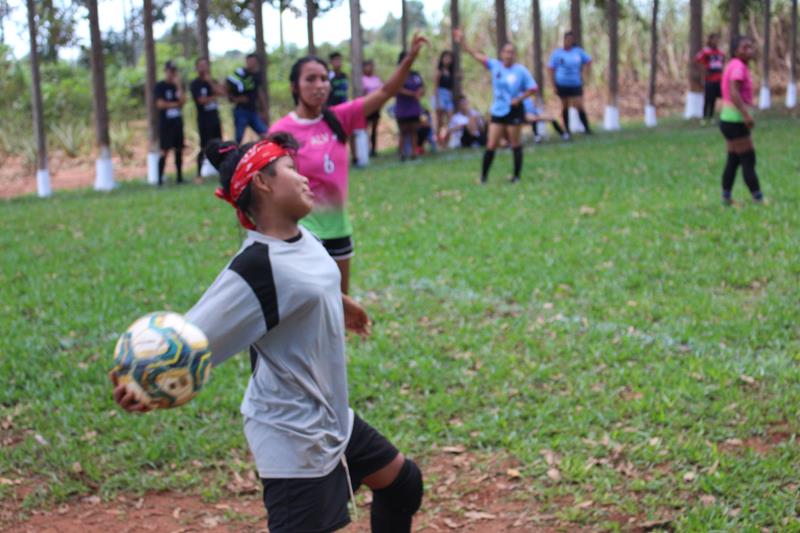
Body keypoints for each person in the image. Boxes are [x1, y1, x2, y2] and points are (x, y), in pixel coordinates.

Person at [110, 133, 424, 533]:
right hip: (292, 432)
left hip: (328, 414)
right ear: (262, 181)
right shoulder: (255, 268)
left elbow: (309, 281)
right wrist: (141, 383)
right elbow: (187, 340)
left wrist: (343, 304)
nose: (304, 177)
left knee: (403, 486)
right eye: (291, 169)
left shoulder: (300, 234)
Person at [268, 35, 429, 295]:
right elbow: (268, 184)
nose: (319, 85)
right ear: (294, 87)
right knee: (308, 307)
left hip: (338, 229)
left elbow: (385, 92)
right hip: (301, 233)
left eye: (323, 78)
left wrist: (409, 59)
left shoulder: (339, 117)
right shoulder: (281, 131)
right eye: (310, 79)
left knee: (339, 306)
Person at [453, 28, 538, 184]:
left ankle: (516, 177)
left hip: (514, 110)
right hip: (498, 110)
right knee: (491, 143)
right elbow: (475, 55)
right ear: (501, 54)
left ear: (515, 55)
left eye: (512, 52)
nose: (509, 55)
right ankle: (484, 177)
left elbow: (533, 88)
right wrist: (463, 42)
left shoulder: (521, 71)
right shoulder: (495, 66)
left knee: (515, 143)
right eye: (506, 52)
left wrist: (519, 98)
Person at [718, 35, 764, 206]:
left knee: (733, 159)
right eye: (745, 47)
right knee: (748, 158)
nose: (749, 50)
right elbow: (734, 91)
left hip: (727, 119)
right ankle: (757, 197)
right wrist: (746, 115)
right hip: (735, 120)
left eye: (750, 46)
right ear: (736, 51)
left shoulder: (734, 65)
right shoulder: (738, 67)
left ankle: (726, 197)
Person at [548, 31, 592, 139]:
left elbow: (588, 61)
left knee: (579, 105)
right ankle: (567, 129)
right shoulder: (557, 53)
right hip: (562, 84)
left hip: (576, 83)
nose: (569, 41)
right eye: (567, 39)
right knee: (565, 106)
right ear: (564, 40)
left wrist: (585, 76)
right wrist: (553, 85)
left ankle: (586, 128)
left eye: (571, 40)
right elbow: (550, 69)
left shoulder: (578, 52)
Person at [190, 57, 225, 180]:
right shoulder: (195, 84)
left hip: (215, 118)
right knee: (204, 146)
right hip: (204, 120)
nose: (203, 68)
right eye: (200, 65)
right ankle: (199, 175)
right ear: (197, 67)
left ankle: (223, 172)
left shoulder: (212, 81)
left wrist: (210, 83)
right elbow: (201, 101)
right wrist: (213, 97)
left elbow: (222, 92)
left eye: (205, 65)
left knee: (220, 145)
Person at [154, 60, 186, 185]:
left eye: (174, 71)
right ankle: (159, 180)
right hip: (166, 124)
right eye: (170, 71)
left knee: (179, 149)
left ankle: (180, 178)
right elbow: (160, 104)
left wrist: (178, 86)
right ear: (165, 71)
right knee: (164, 150)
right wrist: (176, 104)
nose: (172, 74)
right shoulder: (160, 86)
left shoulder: (176, 86)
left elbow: (183, 102)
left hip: (177, 122)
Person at [227, 53, 268, 144]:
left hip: (253, 110)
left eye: (253, 61)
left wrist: (263, 109)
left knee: (265, 133)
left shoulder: (257, 76)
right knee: (238, 138)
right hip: (241, 110)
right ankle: (235, 155)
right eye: (249, 61)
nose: (251, 63)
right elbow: (227, 86)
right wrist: (235, 99)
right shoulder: (239, 73)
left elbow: (259, 92)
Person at [394, 51, 425, 162]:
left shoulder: (415, 74)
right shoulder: (398, 74)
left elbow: (422, 86)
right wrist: (412, 94)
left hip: (414, 108)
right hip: (402, 108)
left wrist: (420, 92)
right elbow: (397, 88)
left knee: (414, 131)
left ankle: (413, 153)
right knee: (403, 131)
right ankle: (401, 153)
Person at [695, 33, 726, 124]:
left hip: (719, 79)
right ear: (710, 40)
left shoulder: (720, 52)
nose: (716, 41)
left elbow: (722, 63)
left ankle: (712, 117)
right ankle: (705, 118)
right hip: (709, 80)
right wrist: (704, 72)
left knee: (716, 98)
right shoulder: (705, 51)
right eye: (714, 39)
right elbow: (697, 60)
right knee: (708, 99)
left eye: (717, 39)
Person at [433, 51, 456, 147]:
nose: (448, 60)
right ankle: (439, 142)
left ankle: (447, 140)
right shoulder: (439, 72)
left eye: (449, 58)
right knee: (440, 121)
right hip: (440, 95)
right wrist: (437, 101)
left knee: (451, 119)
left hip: (449, 96)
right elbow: (435, 87)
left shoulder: (451, 73)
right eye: (446, 58)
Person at [361, 59, 383, 156]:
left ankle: (373, 149)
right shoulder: (361, 79)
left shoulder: (376, 79)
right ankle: (365, 149)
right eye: (367, 66)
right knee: (365, 129)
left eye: (371, 66)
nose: (370, 68)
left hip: (376, 107)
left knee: (374, 129)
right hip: (365, 107)